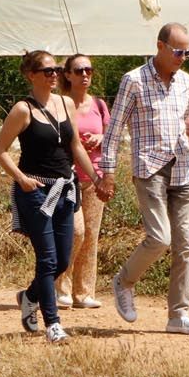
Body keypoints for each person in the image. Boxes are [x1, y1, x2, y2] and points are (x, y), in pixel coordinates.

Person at [95, 23, 189, 335]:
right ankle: (124, 281)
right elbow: (114, 129)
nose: (183, 57)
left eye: (188, 52)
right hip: (150, 169)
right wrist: (108, 173)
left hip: (184, 169)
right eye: (177, 51)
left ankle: (178, 316)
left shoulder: (187, 82)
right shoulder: (134, 81)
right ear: (160, 46)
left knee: (185, 244)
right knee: (160, 238)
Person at [0, 50, 99, 343]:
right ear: (31, 75)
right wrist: (22, 179)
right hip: (37, 192)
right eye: (48, 70)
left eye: (57, 70)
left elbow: (76, 145)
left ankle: (29, 296)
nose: (54, 75)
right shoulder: (23, 110)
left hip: (64, 189)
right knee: (48, 259)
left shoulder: (66, 103)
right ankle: (53, 323)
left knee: (64, 259)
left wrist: (95, 177)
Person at [62, 54, 110, 309]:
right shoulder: (61, 105)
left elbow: (112, 135)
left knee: (91, 235)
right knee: (72, 233)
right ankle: (62, 285)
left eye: (88, 70)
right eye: (79, 70)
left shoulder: (99, 105)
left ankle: (83, 292)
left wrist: (101, 138)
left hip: (95, 176)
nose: (85, 75)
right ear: (67, 74)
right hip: (67, 178)